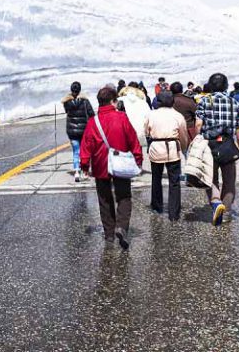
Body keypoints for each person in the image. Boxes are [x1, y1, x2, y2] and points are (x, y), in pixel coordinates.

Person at [80, 86, 143, 249]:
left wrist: (85, 165)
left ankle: (109, 234)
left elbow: (86, 145)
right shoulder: (121, 117)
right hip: (120, 164)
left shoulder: (93, 122)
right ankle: (121, 227)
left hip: (101, 165)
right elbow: (133, 139)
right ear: (113, 101)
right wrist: (138, 158)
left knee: (104, 199)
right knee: (124, 196)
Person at [195, 73, 239, 226]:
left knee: (210, 178)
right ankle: (226, 211)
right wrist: (238, 143)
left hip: (210, 144)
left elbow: (198, 124)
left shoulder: (204, 101)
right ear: (226, 86)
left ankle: (215, 203)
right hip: (227, 143)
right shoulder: (234, 102)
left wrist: (197, 139)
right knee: (229, 180)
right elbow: (238, 127)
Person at [143, 91, 189, 221]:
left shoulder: (151, 114)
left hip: (156, 147)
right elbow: (183, 135)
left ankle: (157, 207)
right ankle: (174, 213)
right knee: (174, 181)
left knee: (156, 178)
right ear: (172, 102)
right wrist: (183, 147)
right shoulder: (177, 115)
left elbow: (146, 131)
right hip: (172, 148)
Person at [61, 81, 95, 183]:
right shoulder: (85, 101)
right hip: (84, 130)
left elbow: (67, 111)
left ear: (71, 90)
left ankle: (76, 172)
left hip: (71, 131)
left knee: (76, 152)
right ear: (80, 90)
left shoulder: (67, 102)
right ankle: (85, 172)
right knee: (85, 152)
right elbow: (92, 114)